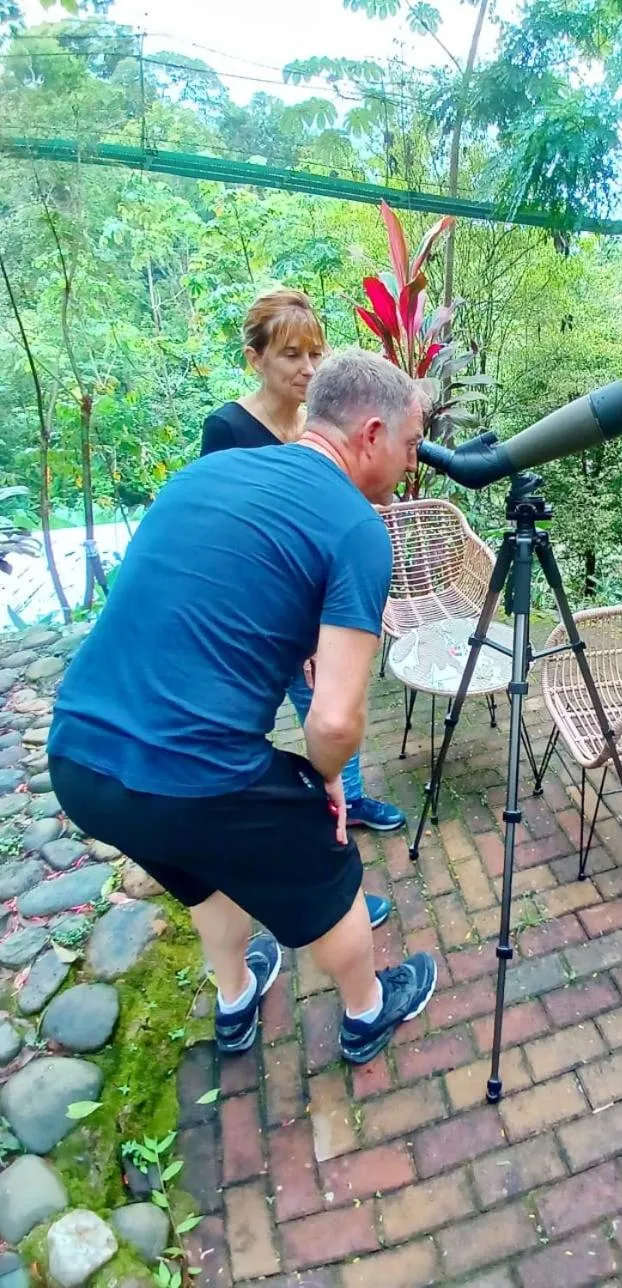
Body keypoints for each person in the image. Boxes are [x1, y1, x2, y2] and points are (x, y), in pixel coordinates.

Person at [48, 350, 436, 1064]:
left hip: (78, 759)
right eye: (412, 445)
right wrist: (324, 782)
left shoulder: (205, 473)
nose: (413, 463)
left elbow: (206, 601)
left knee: (201, 871)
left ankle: (235, 1002)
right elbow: (335, 721)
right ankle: (366, 1012)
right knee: (332, 876)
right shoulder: (356, 527)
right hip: (198, 775)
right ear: (373, 434)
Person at [200, 289, 406, 839]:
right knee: (283, 712)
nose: (308, 368)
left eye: (316, 353)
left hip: (321, 599)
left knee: (336, 699)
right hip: (267, 609)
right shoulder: (229, 431)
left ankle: (350, 799)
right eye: (292, 355)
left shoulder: (317, 427)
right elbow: (234, 543)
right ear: (256, 358)